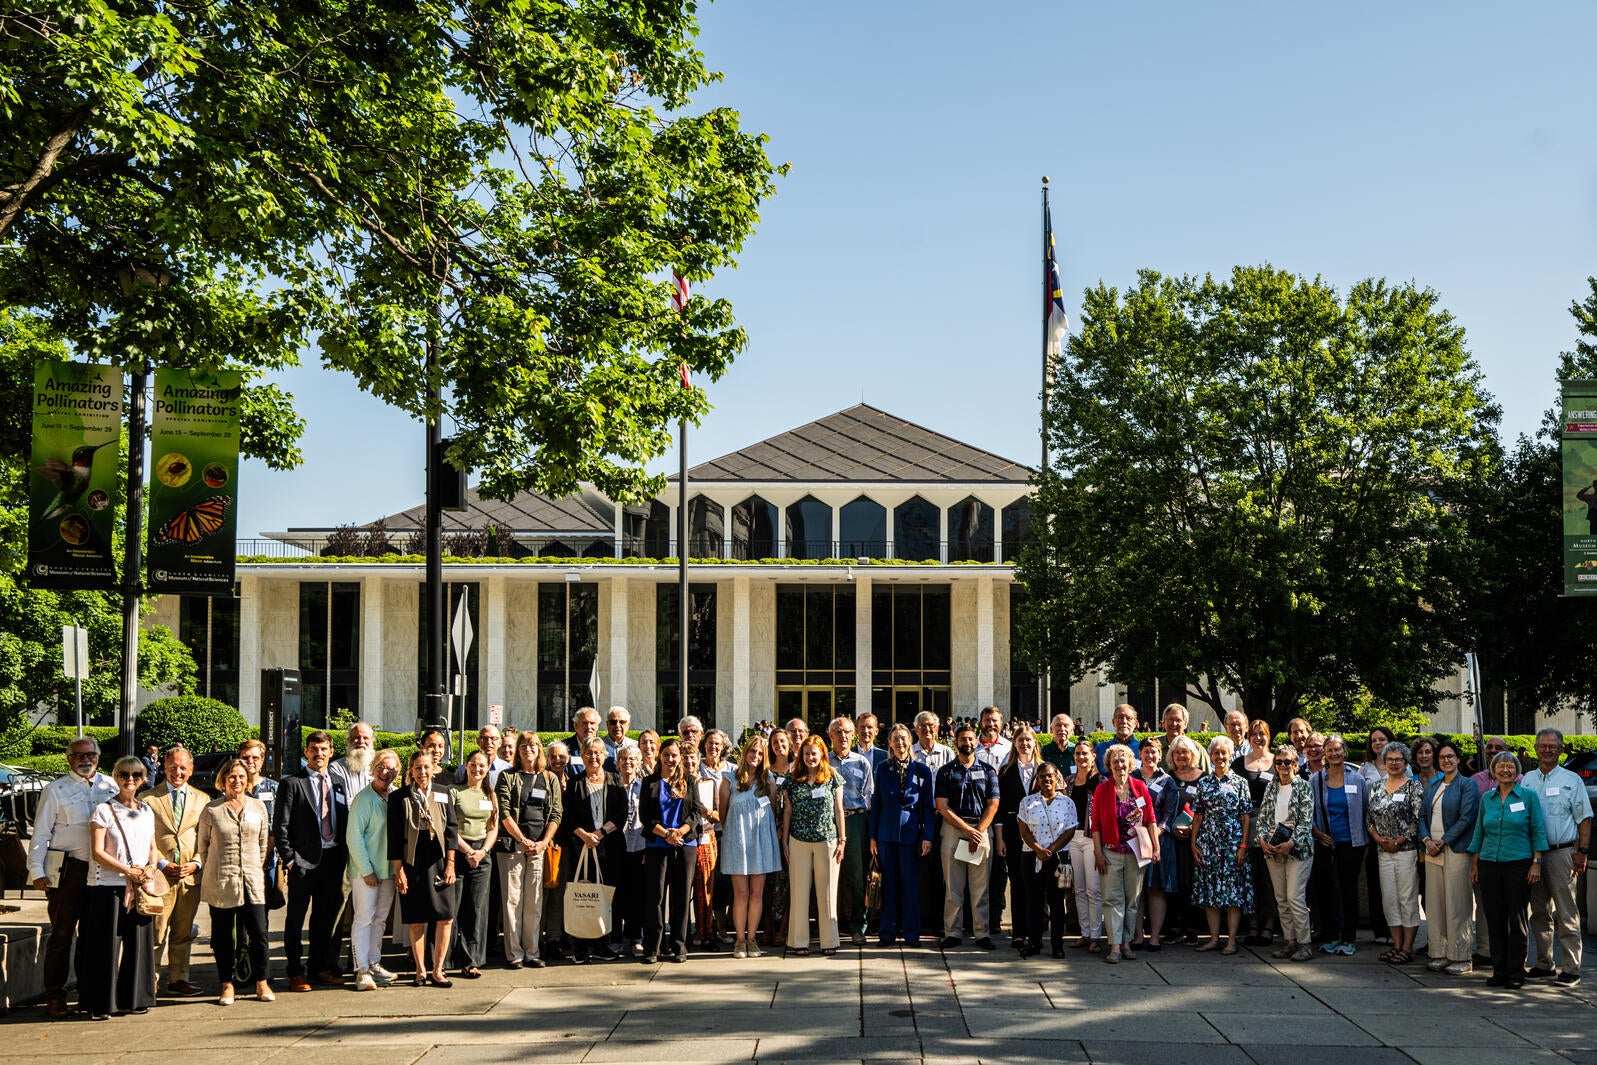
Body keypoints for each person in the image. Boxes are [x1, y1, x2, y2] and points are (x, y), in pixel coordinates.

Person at [28, 735, 116, 1017]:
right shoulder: (56, 790)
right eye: (78, 755)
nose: (85, 760)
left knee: (92, 937)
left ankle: (88, 994)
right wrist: (37, 872)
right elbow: (41, 833)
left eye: (90, 755)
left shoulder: (110, 785)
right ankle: (55, 995)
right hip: (68, 872)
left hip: (101, 872)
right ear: (69, 759)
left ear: (98, 758)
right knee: (62, 935)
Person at [80, 756, 160, 1020]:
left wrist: (150, 868)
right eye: (124, 774)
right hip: (108, 886)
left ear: (143, 778)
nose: (130, 779)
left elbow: (153, 847)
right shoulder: (103, 811)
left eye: (136, 775)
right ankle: (101, 1004)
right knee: (105, 947)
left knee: (138, 944)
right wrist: (128, 871)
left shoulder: (146, 810)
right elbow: (98, 852)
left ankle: (135, 999)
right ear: (116, 776)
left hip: (139, 887)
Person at [272, 729, 349, 991]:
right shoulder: (292, 783)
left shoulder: (338, 782)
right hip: (302, 863)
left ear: (331, 752)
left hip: (333, 860)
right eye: (314, 749)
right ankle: (295, 971)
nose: (319, 754)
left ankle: (319, 969)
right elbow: (280, 826)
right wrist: (290, 859)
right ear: (306, 752)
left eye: (324, 749)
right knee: (296, 918)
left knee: (324, 919)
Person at [198, 757, 275, 1004]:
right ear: (223, 780)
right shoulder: (212, 810)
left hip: (252, 880)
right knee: (222, 937)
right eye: (232, 777)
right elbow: (204, 848)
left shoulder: (258, 808)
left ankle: (261, 982)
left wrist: (253, 866)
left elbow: (263, 845)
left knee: (259, 934)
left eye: (241, 777)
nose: (237, 781)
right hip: (222, 881)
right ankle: (227, 984)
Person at [1470, 750, 1548, 989]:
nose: (1505, 770)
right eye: (1500, 766)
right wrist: (1475, 864)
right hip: (1489, 864)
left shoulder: (1528, 797)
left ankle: (1516, 972)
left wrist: (1537, 862)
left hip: (1518, 864)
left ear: (1517, 771)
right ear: (1493, 771)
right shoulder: (1488, 799)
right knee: (1494, 919)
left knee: (1517, 919)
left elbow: (1537, 830)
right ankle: (1499, 970)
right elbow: (1479, 833)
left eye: (1510, 766)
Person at [1523, 728, 1592, 985]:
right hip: (1535, 857)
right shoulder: (1527, 779)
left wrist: (1582, 852)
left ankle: (1572, 968)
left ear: (1561, 750)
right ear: (1536, 748)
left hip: (1563, 853)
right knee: (1539, 911)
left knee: (1566, 912)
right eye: (1543, 745)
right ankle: (1544, 963)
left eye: (1553, 746)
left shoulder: (1572, 780)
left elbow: (1584, 819)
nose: (1547, 749)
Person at [138, 745, 206, 997]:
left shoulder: (203, 799)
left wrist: (197, 862)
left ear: (191, 769)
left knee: (183, 932)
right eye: (173, 767)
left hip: (190, 876)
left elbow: (206, 838)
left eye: (183, 767)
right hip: (160, 875)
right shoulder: (147, 799)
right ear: (164, 767)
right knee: (156, 932)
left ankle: (179, 978)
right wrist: (162, 863)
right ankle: (150, 979)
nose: (178, 772)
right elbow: (143, 839)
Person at [391, 751, 458, 986]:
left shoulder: (443, 792)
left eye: (426, 767)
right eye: (417, 768)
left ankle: (438, 970)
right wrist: (398, 870)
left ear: (433, 768)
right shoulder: (399, 797)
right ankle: (420, 970)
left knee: (445, 917)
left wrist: (451, 864)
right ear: (411, 770)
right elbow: (394, 837)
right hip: (412, 862)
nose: (422, 772)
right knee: (416, 917)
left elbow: (451, 830)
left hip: (439, 861)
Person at [495, 732, 561, 969]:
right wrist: (522, 839)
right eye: (523, 745)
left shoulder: (549, 778)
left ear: (539, 749)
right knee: (512, 900)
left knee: (534, 900)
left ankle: (532, 951)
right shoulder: (507, 776)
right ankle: (515, 953)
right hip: (513, 846)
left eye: (533, 745)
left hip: (539, 848)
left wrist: (543, 842)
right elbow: (503, 811)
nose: (528, 749)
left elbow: (555, 813)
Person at [869, 724, 935, 948]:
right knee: (889, 885)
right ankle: (887, 933)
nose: (900, 743)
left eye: (903, 739)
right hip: (886, 834)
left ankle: (911, 933)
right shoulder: (881, 768)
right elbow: (876, 803)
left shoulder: (921, 771)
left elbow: (927, 806)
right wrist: (873, 837)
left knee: (910, 885)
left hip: (910, 835)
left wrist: (928, 836)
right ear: (889, 742)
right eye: (895, 739)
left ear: (910, 741)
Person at [935, 725, 999, 950]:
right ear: (956, 741)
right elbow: (942, 806)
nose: (968, 743)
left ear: (976, 742)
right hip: (954, 830)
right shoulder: (945, 771)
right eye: (963, 739)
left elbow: (993, 803)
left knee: (980, 886)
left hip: (981, 829)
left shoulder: (989, 770)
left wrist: (978, 830)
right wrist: (965, 829)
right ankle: (952, 932)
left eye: (971, 739)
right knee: (953, 886)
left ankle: (982, 933)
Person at [561, 738, 625, 963]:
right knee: (584, 896)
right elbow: (567, 816)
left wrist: (601, 833)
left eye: (598, 753)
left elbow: (621, 814)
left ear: (605, 756)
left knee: (607, 898)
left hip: (610, 846)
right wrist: (585, 836)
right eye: (588, 753)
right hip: (583, 848)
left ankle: (602, 944)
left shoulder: (615, 780)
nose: (593, 757)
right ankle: (580, 947)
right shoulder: (575, 783)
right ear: (582, 756)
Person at [1419, 740, 1480, 975]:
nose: (1446, 760)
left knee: (1457, 904)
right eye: (1442, 757)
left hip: (1455, 849)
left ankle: (1461, 956)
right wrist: (1427, 841)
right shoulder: (1434, 785)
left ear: (1458, 759)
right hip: (1432, 849)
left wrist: (1442, 841)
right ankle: (1439, 953)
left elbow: (1466, 819)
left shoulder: (1467, 785)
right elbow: (1422, 816)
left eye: (1451, 756)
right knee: (1435, 904)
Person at [719, 735, 783, 957]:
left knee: (757, 893)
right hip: (737, 841)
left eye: (760, 753)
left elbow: (772, 811)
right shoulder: (729, 779)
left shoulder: (769, 780)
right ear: (745, 753)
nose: (755, 756)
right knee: (741, 893)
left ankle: (752, 939)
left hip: (761, 842)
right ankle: (739, 940)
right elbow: (722, 814)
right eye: (752, 751)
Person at [1093, 743, 1157, 963]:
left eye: (1123, 761)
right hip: (1110, 852)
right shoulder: (1102, 789)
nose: (1120, 765)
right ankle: (1114, 946)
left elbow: (1150, 820)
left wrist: (1155, 848)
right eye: (1115, 761)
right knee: (1112, 899)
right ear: (1109, 765)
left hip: (1136, 852)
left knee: (1132, 900)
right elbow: (1096, 826)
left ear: (1130, 764)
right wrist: (1098, 853)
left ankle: (1127, 942)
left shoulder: (1140, 787)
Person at [782, 736, 846, 956]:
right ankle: (799, 941)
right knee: (799, 893)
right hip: (798, 840)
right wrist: (785, 841)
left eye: (814, 754)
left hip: (827, 841)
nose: (810, 757)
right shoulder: (792, 780)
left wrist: (842, 840)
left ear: (822, 755)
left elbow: (839, 811)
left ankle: (829, 940)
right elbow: (787, 811)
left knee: (828, 893)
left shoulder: (833, 778)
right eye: (807, 754)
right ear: (802, 756)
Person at [641, 737, 703, 963]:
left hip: (685, 845)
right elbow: (645, 817)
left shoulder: (690, 781)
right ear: (660, 756)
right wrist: (666, 834)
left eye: (674, 755)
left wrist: (680, 833)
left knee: (681, 896)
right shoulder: (650, 782)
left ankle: (679, 945)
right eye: (666, 754)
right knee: (655, 897)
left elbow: (696, 812)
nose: (670, 759)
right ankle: (653, 948)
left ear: (680, 758)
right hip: (658, 844)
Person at [1189, 736, 1252, 955]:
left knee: (1232, 893)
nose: (1220, 757)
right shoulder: (1204, 783)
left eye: (1224, 753)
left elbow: (1245, 816)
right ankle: (1214, 938)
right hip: (1208, 842)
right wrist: (1194, 843)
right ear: (1211, 756)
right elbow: (1198, 815)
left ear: (1230, 755)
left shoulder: (1240, 782)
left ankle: (1232, 940)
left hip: (1233, 843)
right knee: (1210, 893)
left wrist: (1243, 845)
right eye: (1216, 753)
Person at [346, 749, 400, 991]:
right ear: (372, 768)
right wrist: (366, 870)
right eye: (380, 767)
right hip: (366, 872)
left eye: (390, 768)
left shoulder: (395, 796)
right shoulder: (363, 799)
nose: (385, 772)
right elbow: (353, 837)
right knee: (364, 919)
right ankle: (361, 970)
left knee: (380, 920)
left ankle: (374, 963)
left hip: (388, 870)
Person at [1311, 735, 1370, 955]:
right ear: (1324, 754)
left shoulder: (1357, 780)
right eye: (1330, 750)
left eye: (1338, 749)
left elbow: (1366, 812)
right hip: (1325, 844)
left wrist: (1365, 844)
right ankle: (1331, 936)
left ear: (1345, 751)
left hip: (1352, 843)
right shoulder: (1316, 780)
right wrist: (1317, 833)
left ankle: (1349, 938)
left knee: (1348, 890)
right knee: (1327, 890)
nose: (1334, 754)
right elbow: (1310, 813)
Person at [1256, 744, 1314, 963]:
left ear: (1295, 764)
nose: (1282, 766)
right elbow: (1263, 817)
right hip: (1273, 850)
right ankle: (1290, 942)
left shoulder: (1304, 787)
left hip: (1297, 851)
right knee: (1281, 898)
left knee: (1295, 897)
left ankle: (1305, 943)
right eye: (1278, 762)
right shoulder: (1271, 787)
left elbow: (1306, 822)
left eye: (1287, 762)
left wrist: (1291, 842)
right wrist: (1261, 839)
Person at [1366, 740, 1423, 964]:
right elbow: (1368, 818)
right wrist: (1379, 839)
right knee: (1389, 900)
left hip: (1406, 851)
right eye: (1389, 759)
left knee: (1406, 898)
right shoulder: (1377, 787)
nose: (1393, 763)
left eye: (1398, 759)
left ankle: (1408, 947)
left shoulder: (1413, 786)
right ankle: (1396, 945)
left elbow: (1418, 820)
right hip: (1383, 852)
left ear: (1406, 762)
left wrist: (1398, 841)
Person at [1015, 762, 1078, 958]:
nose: (1047, 779)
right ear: (1037, 780)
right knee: (1033, 902)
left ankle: (1057, 945)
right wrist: (1037, 849)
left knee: (1057, 902)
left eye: (1050, 776)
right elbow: (1023, 829)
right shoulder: (1027, 802)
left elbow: (1070, 830)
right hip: (1031, 856)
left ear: (1057, 778)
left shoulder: (1067, 803)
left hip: (1058, 858)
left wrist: (1050, 849)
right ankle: (1034, 942)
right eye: (1042, 776)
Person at [452, 749, 500, 977]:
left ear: (488, 768)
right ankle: (453, 957)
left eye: (482, 765)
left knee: (477, 908)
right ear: (466, 766)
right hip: (459, 851)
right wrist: (468, 850)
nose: (477, 769)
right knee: (456, 907)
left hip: (482, 854)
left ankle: (473, 960)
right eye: (473, 764)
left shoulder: (490, 795)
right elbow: (449, 827)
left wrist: (482, 852)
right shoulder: (455, 791)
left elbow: (494, 827)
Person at [827, 716, 874, 946]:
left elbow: (869, 797)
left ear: (853, 735)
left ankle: (858, 925)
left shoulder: (862, 762)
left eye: (847, 732)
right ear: (831, 736)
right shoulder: (823, 762)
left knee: (856, 875)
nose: (843, 736)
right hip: (828, 823)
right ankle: (829, 925)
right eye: (838, 732)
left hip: (855, 821)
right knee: (828, 875)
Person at [996, 726, 1044, 950]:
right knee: (1016, 882)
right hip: (1012, 832)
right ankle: (1018, 932)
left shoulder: (1044, 770)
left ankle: (1036, 929)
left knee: (1037, 883)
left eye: (1028, 740)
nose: (1025, 744)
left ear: (1035, 742)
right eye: (1020, 740)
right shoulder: (1005, 771)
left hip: (1040, 833)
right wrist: (1000, 837)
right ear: (1014, 744)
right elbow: (1000, 807)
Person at [1233, 719, 1277, 946]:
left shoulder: (1277, 762)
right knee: (1248, 876)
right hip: (1245, 823)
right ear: (1249, 737)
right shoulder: (1239, 764)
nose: (1258, 738)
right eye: (1255, 734)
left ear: (1269, 736)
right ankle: (1252, 924)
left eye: (1263, 734)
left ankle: (1268, 924)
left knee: (1269, 877)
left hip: (1271, 824)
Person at [1359, 726, 1396, 945]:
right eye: (1374, 741)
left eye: (1382, 739)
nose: (1378, 743)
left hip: (1398, 837)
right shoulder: (1365, 769)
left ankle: (1396, 930)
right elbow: (1361, 804)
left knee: (1396, 887)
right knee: (1375, 883)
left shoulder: (1403, 767)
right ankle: (1379, 929)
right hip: (1373, 834)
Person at [1134, 738, 1173, 949]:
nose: (1150, 756)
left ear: (1160, 755)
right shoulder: (1131, 778)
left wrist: (1153, 835)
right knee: (1136, 889)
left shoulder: (1168, 781)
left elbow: (1169, 814)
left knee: (1156, 888)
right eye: (1146, 752)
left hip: (1159, 840)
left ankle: (1154, 936)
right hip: (1132, 841)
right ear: (1140, 753)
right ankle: (1137, 935)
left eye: (1154, 752)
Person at [1065, 737, 1104, 951]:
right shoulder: (1068, 781)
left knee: (1093, 888)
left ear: (1093, 757)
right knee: (1077, 889)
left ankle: (1096, 936)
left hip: (1092, 839)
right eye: (1078, 754)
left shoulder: (1101, 781)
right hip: (1072, 838)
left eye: (1085, 754)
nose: (1081, 757)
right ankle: (1085, 932)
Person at [683, 743, 720, 950]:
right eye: (685, 759)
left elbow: (718, 815)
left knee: (705, 889)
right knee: (684, 890)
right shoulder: (677, 784)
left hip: (706, 838)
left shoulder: (708, 784)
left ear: (699, 761)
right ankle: (685, 935)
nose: (689, 762)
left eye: (693, 758)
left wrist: (705, 811)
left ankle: (706, 932)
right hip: (684, 839)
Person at [612, 744, 649, 956]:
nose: (628, 762)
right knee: (616, 896)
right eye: (624, 759)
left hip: (639, 846)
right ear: (617, 763)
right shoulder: (611, 786)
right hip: (617, 847)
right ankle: (616, 938)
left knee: (638, 895)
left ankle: (637, 938)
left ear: (639, 762)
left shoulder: (645, 787)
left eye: (632, 759)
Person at [1157, 704, 1210, 773]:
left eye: (1178, 720)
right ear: (1163, 723)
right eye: (1170, 719)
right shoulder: (1154, 746)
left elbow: (1207, 779)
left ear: (1185, 724)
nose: (1174, 724)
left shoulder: (1196, 749)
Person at [330, 721, 376, 796]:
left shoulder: (379, 766)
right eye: (357, 737)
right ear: (349, 740)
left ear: (372, 741)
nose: (361, 741)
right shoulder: (336, 768)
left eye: (366, 738)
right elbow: (341, 799)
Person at [1094, 704, 1140, 774]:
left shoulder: (1142, 749)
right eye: (1120, 717)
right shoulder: (1100, 749)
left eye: (1129, 718)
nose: (1124, 721)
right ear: (1113, 722)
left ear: (1135, 723)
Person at [564, 707, 603, 773]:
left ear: (597, 726)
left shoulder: (604, 748)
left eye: (592, 723)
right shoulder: (564, 748)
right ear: (576, 725)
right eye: (584, 723)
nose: (588, 727)